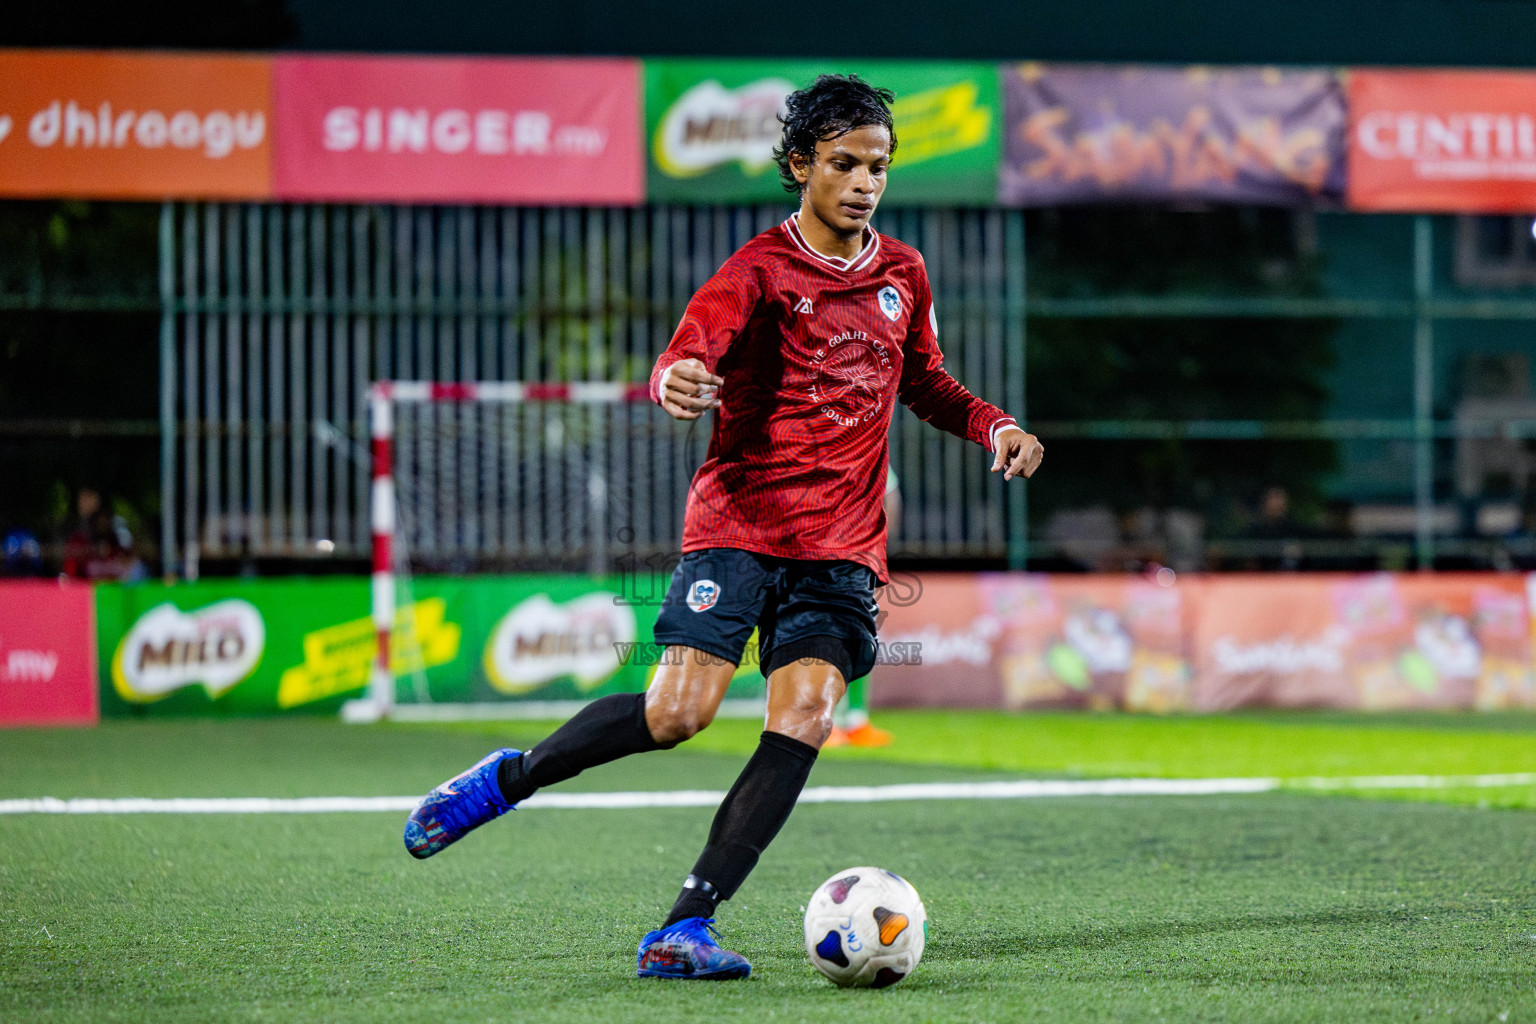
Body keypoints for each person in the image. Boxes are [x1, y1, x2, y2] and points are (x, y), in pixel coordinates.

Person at [402, 74, 1044, 981]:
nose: (864, 182)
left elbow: (926, 381)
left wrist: (996, 424)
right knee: (677, 714)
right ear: (801, 167)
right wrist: (675, 381)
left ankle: (682, 930)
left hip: (842, 550)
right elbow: (686, 353)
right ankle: (506, 780)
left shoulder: (904, 273)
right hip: (739, 527)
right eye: (844, 164)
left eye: (879, 167)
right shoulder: (757, 271)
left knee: (808, 714)